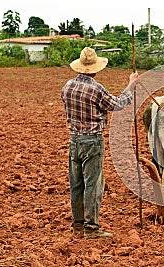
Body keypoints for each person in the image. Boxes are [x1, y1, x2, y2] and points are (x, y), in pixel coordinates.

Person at [61, 47, 138, 239]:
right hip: (92, 141)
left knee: (76, 185)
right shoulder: (96, 89)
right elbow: (119, 104)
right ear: (95, 69)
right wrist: (131, 85)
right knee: (93, 185)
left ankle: (78, 226)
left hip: (74, 140)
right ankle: (91, 228)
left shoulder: (68, 86)